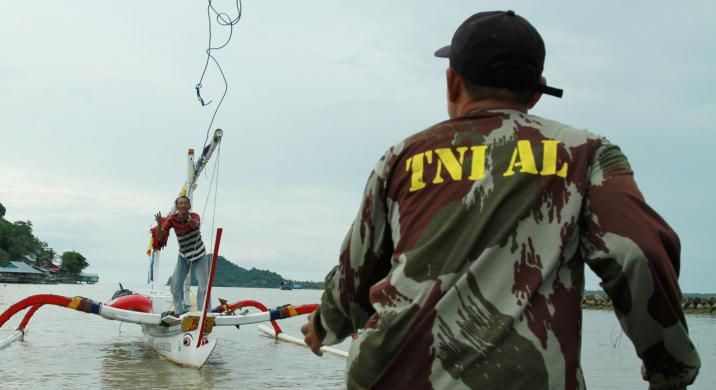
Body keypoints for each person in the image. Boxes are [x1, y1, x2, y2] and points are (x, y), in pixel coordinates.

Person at [301, 10, 700, 389]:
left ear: (452, 82)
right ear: (537, 91)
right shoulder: (584, 154)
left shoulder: (401, 158)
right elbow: (637, 253)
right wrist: (670, 369)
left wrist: (323, 326)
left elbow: (355, 275)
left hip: (388, 375)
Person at [155, 195, 210, 316]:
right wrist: (159, 224)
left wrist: (187, 218)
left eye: (185, 203)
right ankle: (179, 312)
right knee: (174, 286)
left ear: (188, 206)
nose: (183, 205)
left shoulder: (194, 216)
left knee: (203, 287)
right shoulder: (172, 219)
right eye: (180, 203)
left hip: (199, 254)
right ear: (177, 206)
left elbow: (195, 225)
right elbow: (160, 236)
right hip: (184, 255)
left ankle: (204, 314)